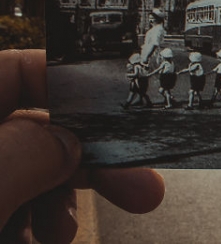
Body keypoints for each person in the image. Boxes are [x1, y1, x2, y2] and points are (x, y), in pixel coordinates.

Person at [0, 49, 165, 242]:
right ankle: (133, 105)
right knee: (137, 95)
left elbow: (135, 75)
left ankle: (131, 105)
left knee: (135, 95)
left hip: (137, 84)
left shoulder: (138, 68)